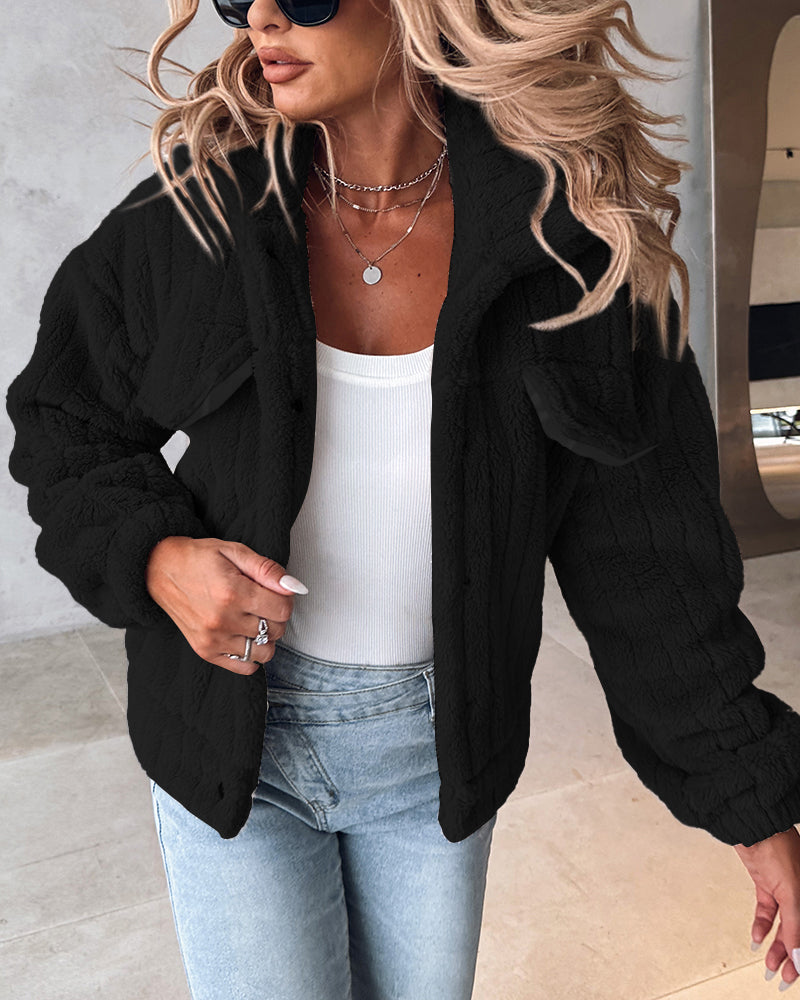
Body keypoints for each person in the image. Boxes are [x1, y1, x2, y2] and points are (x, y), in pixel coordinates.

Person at [7, 0, 800, 996]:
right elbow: (62, 421)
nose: (260, 18)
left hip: (436, 757)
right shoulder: (198, 218)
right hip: (230, 741)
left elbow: (648, 568)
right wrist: (157, 558)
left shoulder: (569, 248)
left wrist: (754, 805)